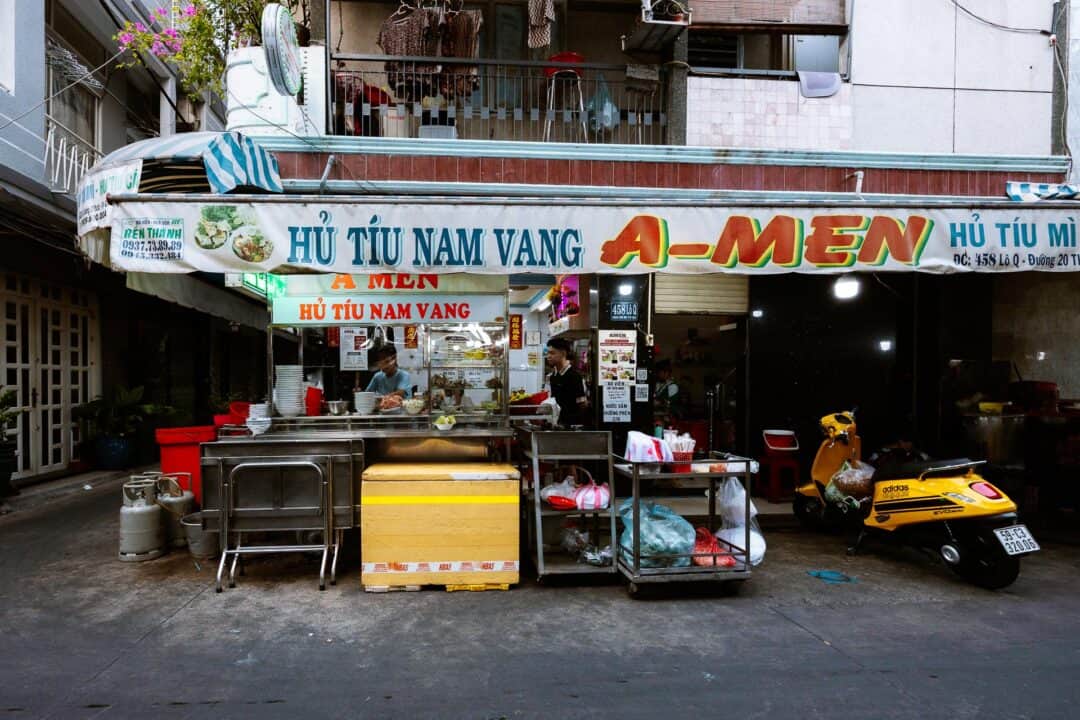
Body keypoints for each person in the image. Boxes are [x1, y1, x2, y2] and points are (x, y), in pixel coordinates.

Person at [545, 337, 589, 428]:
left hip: (571, 426)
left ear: (563, 353)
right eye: (547, 353)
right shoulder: (553, 376)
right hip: (557, 424)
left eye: (552, 353)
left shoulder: (574, 376)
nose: (548, 356)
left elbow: (582, 405)